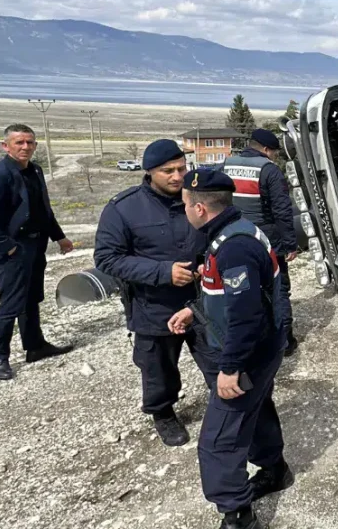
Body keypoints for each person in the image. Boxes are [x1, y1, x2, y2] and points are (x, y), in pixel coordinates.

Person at [168, 169, 293, 529]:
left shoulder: (235, 246)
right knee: (256, 409)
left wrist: (230, 368)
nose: (185, 211)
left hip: (250, 352)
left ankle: (237, 515)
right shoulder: (230, 231)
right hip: (262, 346)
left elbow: (245, 315)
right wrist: (194, 311)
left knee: (219, 439)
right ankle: (274, 470)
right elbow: (231, 296)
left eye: (186, 205)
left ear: (200, 208)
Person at [94, 139, 218, 446]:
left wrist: (207, 265)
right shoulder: (123, 208)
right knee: (158, 369)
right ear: (150, 172)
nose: (177, 176)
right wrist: (163, 272)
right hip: (154, 306)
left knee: (218, 358)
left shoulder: (197, 198)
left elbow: (216, 236)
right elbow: (107, 258)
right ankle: (163, 413)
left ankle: (225, 406)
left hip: (202, 301)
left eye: (181, 168)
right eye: (168, 171)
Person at [0, 124, 75, 380]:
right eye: (19, 142)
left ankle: (35, 347)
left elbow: (42, 210)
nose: (25, 147)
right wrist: (8, 248)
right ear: (6, 146)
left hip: (34, 245)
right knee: (11, 304)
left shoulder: (35, 170)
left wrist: (59, 237)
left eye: (29, 142)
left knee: (31, 299)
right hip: (11, 248)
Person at [218, 128, 299, 356]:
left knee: (241, 290)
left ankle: (247, 341)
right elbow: (282, 210)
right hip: (267, 241)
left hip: (234, 238)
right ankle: (285, 342)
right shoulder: (269, 171)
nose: (273, 156)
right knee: (278, 290)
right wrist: (290, 244)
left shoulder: (226, 165)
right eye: (273, 152)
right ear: (265, 149)